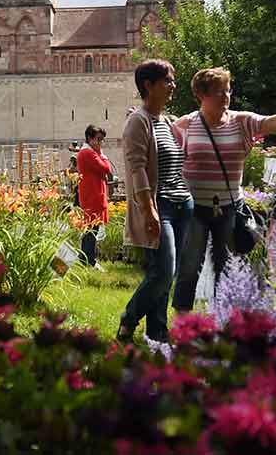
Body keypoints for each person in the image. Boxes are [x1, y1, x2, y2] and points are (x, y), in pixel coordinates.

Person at [172, 67, 276, 311]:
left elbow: (272, 122)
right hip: (195, 208)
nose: (226, 96)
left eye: (228, 90)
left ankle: (223, 321)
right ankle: (184, 323)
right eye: (219, 92)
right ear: (201, 95)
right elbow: (170, 164)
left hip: (229, 208)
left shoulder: (241, 121)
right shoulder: (184, 125)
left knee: (226, 266)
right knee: (189, 265)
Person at [117, 60, 194, 344]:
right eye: (167, 81)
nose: (173, 86)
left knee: (165, 273)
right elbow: (136, 167)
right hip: (159, 206)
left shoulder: (168, 121)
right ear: (148, 86)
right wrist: (148, 209)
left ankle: (157, 331)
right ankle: (129, 318)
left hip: (182, 205)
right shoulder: (138, 121)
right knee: (163, 272)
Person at [76, 124, 112, 269]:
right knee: (91, 229)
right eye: (98, 139)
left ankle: (85, 258)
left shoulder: (89, 152)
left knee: (91, 229)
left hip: (93, 194)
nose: (100, 143)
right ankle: (89, 260)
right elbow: (106, 168)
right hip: (92, 195)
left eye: (102, 140)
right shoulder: (88, 153)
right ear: (89, 138)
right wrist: (102, 155)